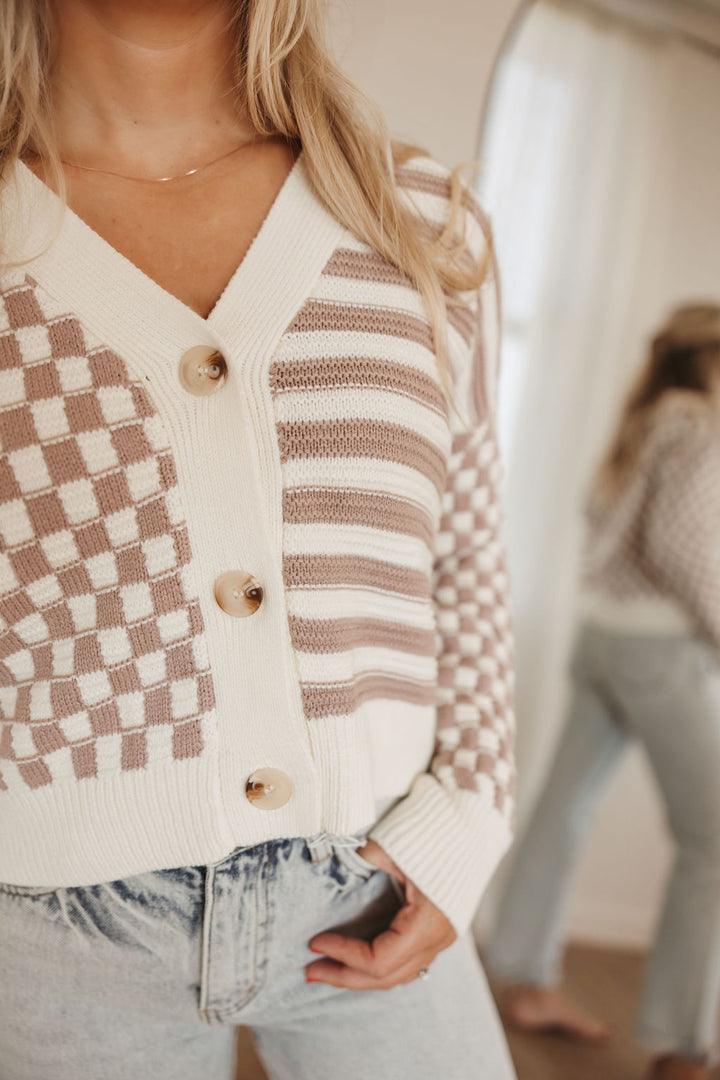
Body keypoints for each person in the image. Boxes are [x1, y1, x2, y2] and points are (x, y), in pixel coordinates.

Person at [0, 3, 517, 1078]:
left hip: (379, 887)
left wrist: (464, 823)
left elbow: (462, 559)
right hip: (41, 939)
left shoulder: (416, 220)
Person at [485, 304, 720, 1080]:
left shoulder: (646, 417)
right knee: (712, 840)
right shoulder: (698, 423)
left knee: (564, 808)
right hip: (657, 649)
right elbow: (682, 541)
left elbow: (608, 523)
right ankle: (685, 1044)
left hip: (603, 638)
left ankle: (522, 978)